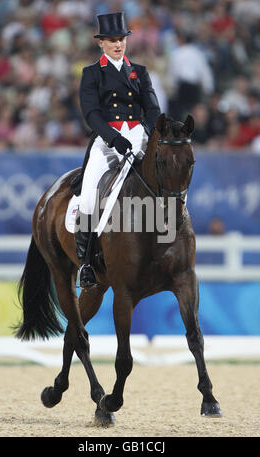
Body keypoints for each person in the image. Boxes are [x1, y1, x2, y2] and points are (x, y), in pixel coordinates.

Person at [74, 11, 161, 289]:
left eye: (121, 39)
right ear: (101, 43)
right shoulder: (91, 74)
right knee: (89, 195)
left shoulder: (140, 72)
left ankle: (169, 247)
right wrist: (113, 138)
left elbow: (152, 108)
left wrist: (148, 134)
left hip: (138, 136)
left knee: (165, 179)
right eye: (112, 40)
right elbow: (92, 114)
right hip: (108, 139)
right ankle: (86, 263)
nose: (117, 44)